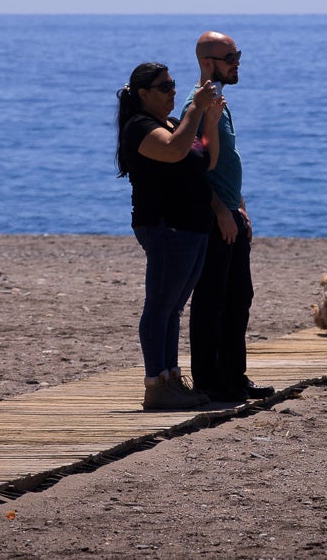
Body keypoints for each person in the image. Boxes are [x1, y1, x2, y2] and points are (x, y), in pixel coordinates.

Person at [117, 62, 225, 410]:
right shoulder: (140, 127)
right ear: (144, 93)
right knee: (159, 306)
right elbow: (175, 150)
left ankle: (172, 379)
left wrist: (208, 119)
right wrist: (195, 107)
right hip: (165, 226)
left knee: (173, 307)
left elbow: (205, 161)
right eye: (165, 87)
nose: (172, 91)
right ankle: (155, 384)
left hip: (192, 226)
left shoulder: (173, 124)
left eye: (174, 84)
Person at [182, 32, 275, 402]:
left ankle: (234, 376)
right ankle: (210, 380)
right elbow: (196, 167)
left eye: (239, 54)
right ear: (208, 62)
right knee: (212, 299)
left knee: (239, 296)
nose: (237, 61)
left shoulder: (218, 100)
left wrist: (241, 207)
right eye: (230, 56)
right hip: (213, 215)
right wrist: (221, 209)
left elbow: (228, 166)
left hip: (231, 212)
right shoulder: (198, 104)